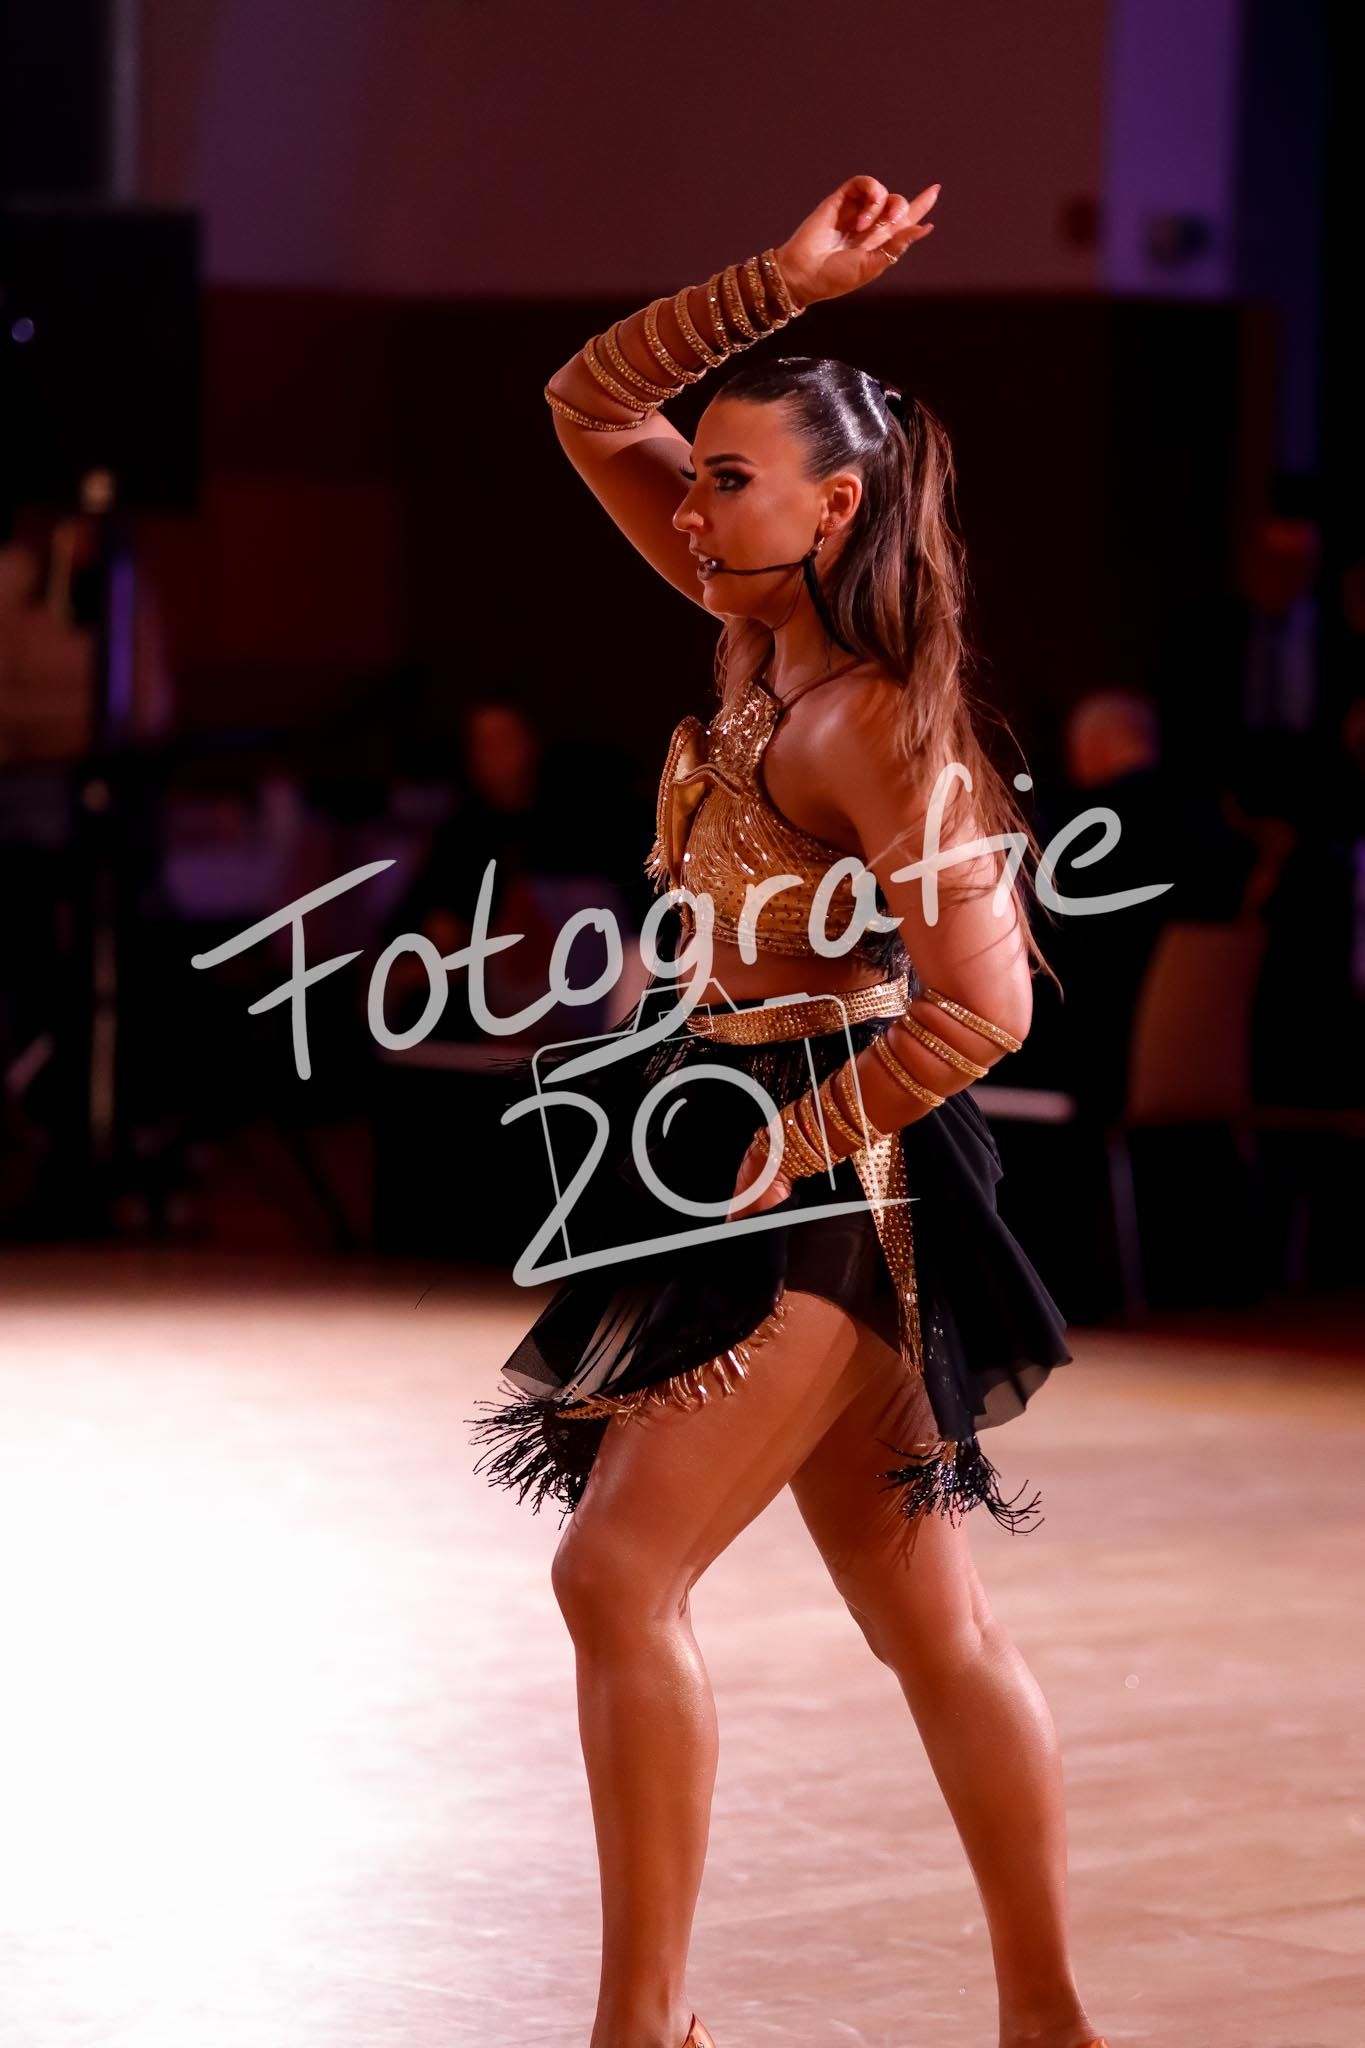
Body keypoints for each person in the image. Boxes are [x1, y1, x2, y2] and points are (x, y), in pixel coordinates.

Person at [468, 175, 1110, 2048]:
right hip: (744, 1145)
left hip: (832, 1179)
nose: (688, 505)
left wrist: (796, 1140)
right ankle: (1050, 2021)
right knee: (931, 1627)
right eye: (697, 480)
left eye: (728, 480)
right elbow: (589, 400)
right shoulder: (749, 629)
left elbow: (985, 1001)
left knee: (616, 1573)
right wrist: (783, 283)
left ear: (834, 508)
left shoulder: (879, 721)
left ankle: (641, 2030)